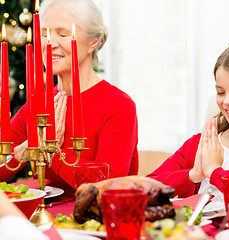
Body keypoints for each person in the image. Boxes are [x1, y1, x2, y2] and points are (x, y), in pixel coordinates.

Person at [0, 0, 138, 194]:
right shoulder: (37, 105)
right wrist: (26, 149)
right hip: (41, 220)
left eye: (63, 34)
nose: (50, 43)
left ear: (93, 42)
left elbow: (108, 184)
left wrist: (53, 152)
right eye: (44, 34)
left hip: (94, 222)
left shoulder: (118, 105)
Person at [148, 39, 229, 212]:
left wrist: (215, 172)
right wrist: (193, 175)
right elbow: (146, 188)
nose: (227, 101)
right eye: (220, 92)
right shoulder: (202, 144)